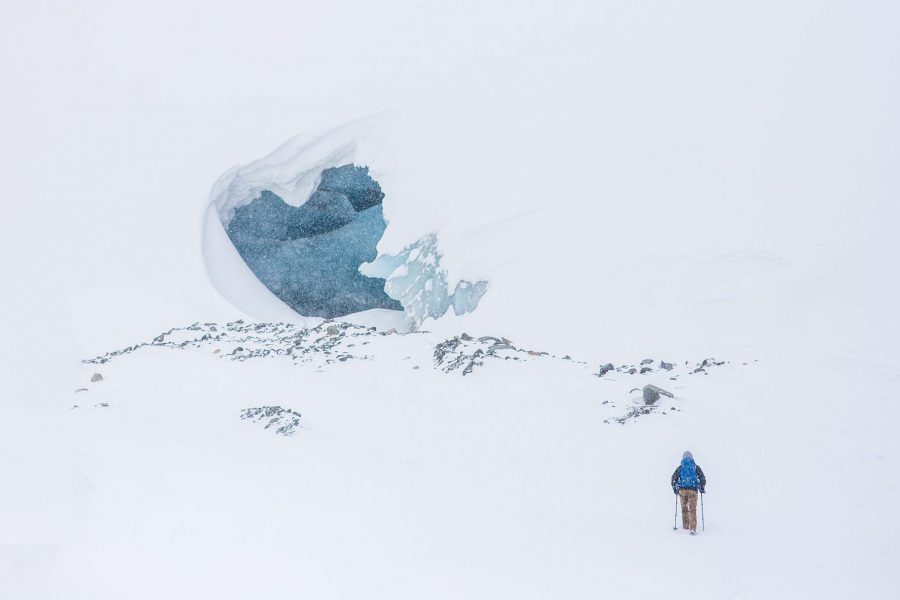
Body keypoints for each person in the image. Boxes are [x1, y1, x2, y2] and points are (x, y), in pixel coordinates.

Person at [671, 451, 706, 534]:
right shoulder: (695, 467)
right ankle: (692, 528)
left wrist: (675, 488)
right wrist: (702, 487)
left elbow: (673, 479)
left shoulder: (680, 467)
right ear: (692, 457)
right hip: (693, 491)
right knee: (692, 509)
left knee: (684, 509)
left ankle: (686, 525)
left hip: (682, 491)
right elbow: (703, 478)